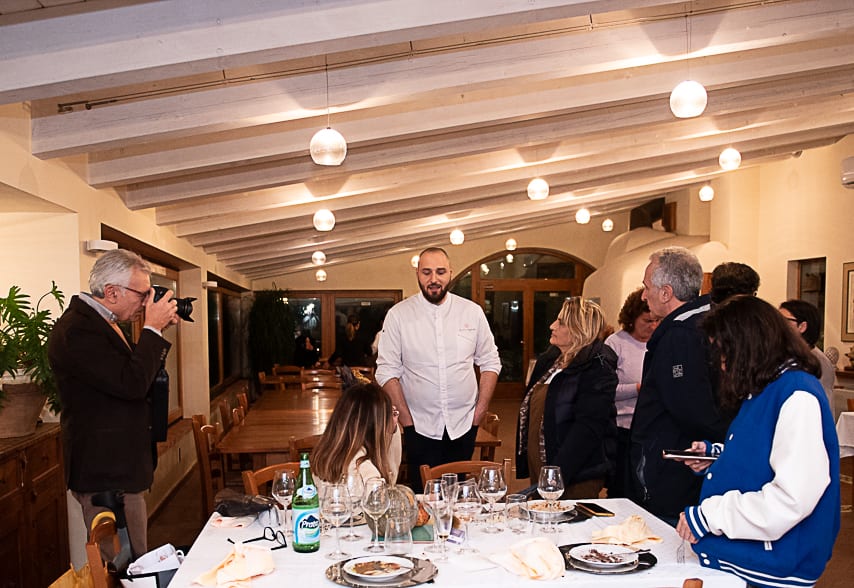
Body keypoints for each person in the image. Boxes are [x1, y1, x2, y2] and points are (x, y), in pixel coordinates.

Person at [675, 295, 840, 588]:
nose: (723, 366)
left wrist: (709, 516)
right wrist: (717, 456)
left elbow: (791, 498)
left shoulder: (796, 395)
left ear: (749, 345)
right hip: (749, 558)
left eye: (725, 353)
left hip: (774, 566)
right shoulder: (767, 388)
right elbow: (766, 454)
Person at [48, 249, 179, 558]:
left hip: (121, 469)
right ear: (111, 291)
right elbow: (131, 385)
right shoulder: (78, 330)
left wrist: (157, 331)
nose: (146, 302)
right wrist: (152, 329)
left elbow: (139, 374)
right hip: (106, 473)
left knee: (136, 561)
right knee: (123, 567)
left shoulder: (104, 323)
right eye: (142, 294)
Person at [376, 247, 502, 489]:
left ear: (451, 273)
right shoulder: (398, 315)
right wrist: (407, 419)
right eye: (426, 272)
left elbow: (490, 361)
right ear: (417, 274)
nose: (433, 279)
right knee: (423, 495)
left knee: (459, 493)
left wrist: (480, 411)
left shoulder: (472, 312)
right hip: (419, 425)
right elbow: (386, 370)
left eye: (440, 272)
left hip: (464, 423)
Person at [629, 246, 730, 525]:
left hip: (676, 471)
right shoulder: (707, 322)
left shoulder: (681, 336)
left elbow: (690, 408)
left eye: (646, 286)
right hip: (692, 467)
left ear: (666, 292)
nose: (643, 294)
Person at [516, 297, 618, 499]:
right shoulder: (551, 361)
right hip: (545, 470)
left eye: (561, 322)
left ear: (579, 330)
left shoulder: (598, 368)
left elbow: (587, 430)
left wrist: (555, 478)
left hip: (574, 475)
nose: (552, 326)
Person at [604, 288, 659, 498]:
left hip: (647, 427)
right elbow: (605, 390)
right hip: (620, 428)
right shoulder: (616, 344)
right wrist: (637, 389)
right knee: (620, 485)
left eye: (656, 321)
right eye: (647, 321)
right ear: (632, 318)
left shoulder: (658, 343)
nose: (652, 326)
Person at [312, 382, 402, 490]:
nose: (394, 420)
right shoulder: (366, 472)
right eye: (391, 414)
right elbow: (386, 494)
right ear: (376, 428)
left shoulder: (324, 457)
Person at [779, 299, 836, 405]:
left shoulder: (818, 361)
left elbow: (822, 403)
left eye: (783, 320)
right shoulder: (784, 356)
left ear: (802, 326)